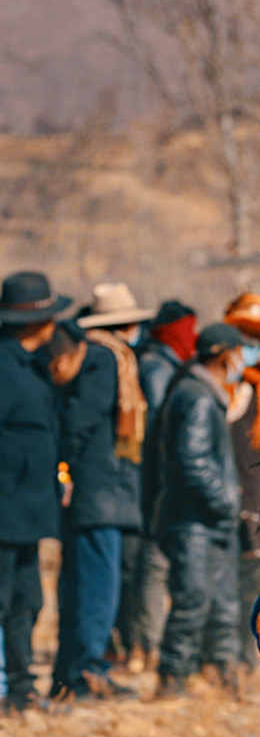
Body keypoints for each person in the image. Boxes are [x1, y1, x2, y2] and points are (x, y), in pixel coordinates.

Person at [49, 296, 150, 699]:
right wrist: (67, 469)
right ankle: (85, 672)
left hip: (102, 493)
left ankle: (74, 671)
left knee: (86, 587)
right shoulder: (106, 359)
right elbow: (80, 421)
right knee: (96, 590)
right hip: (99, 493)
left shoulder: (101, 357)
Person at [151, 323, 246, 698]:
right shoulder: (197, 396)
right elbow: (191, 460)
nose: (242, 360)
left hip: (208, 520)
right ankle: (172, 679)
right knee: (191, 600)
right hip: (194, 521)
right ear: (225, 355)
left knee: (223, 601)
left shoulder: (203, 392)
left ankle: (222, 675)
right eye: (238, 352)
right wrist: (225, 500)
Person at [0, 271, 70, 712]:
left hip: (27, 508)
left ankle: (23, 689)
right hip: (5, 505)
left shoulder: (32, 364)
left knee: (26, 599)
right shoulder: (4, 365)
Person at [129, 299, 199, 672]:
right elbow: (158, 434)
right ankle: (144, 646)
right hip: (154, 482)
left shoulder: (163, 364)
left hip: (153, 480)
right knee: (153, 563)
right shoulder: (158, 368)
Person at [223, 293, 260, 668]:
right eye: (241, 338)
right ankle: (223, 660)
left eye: (255, 339)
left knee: (254, 585)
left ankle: (245, 659)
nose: (248, 347)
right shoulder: (225, 386)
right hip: (225, 501)